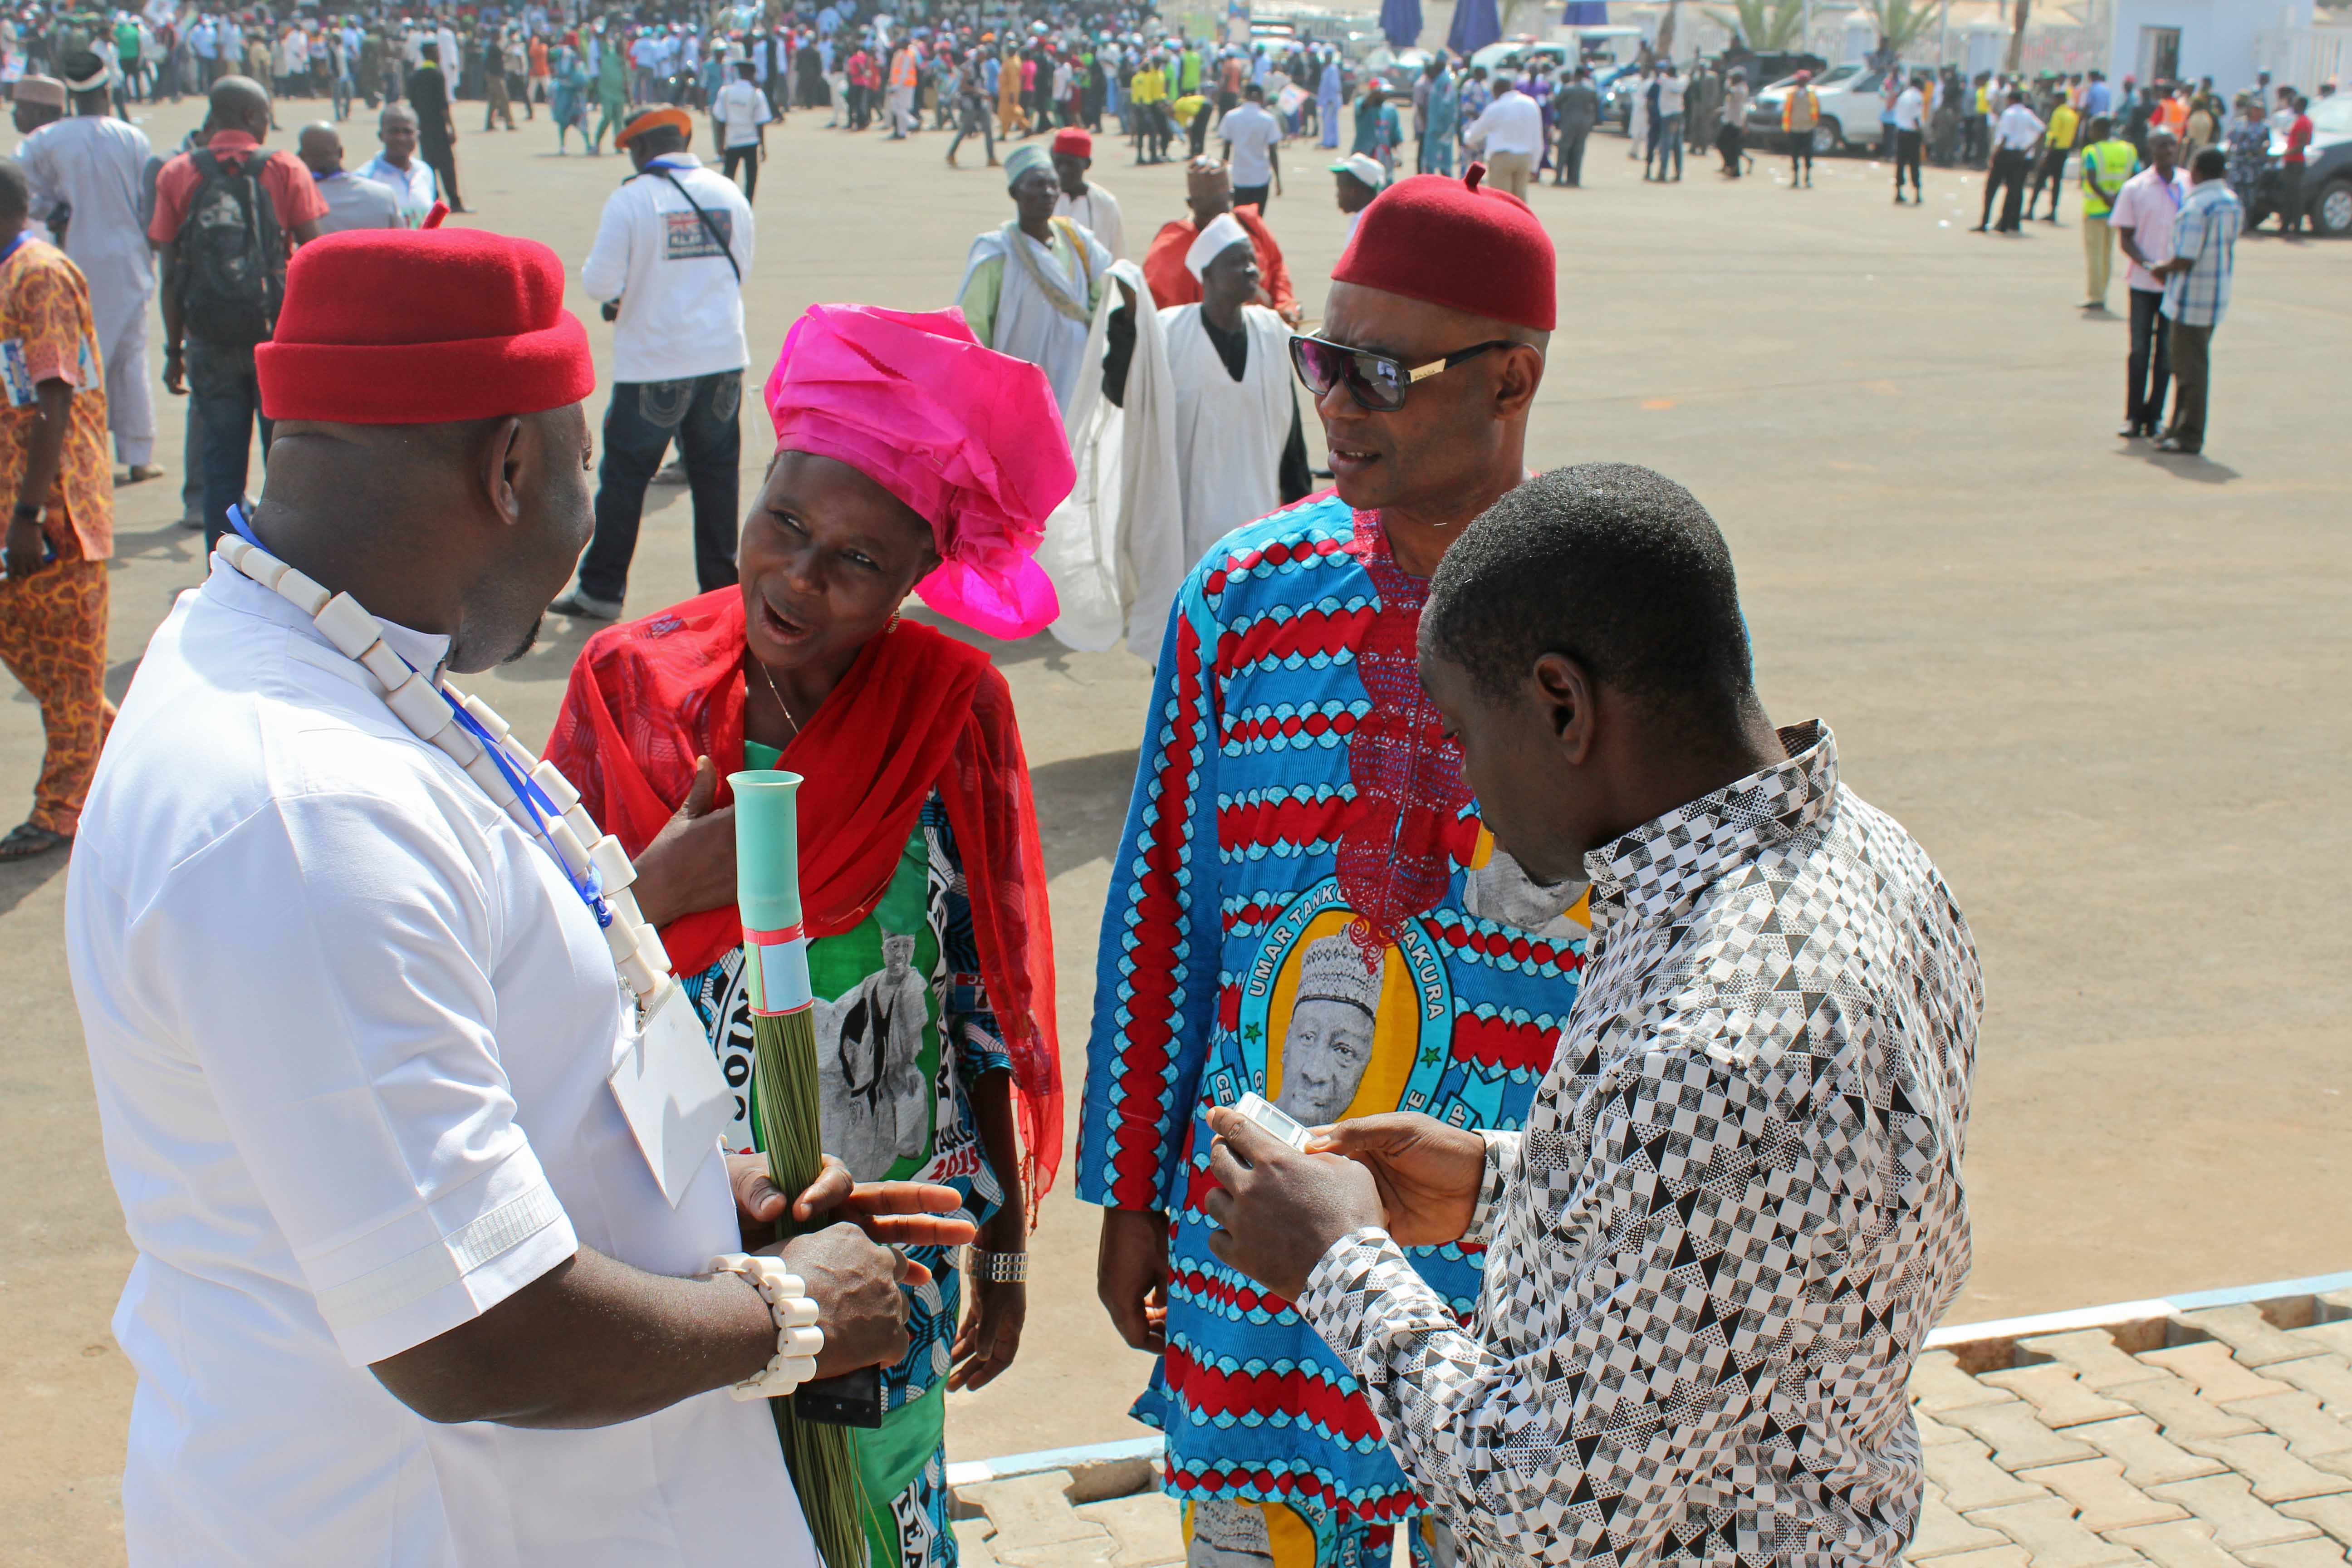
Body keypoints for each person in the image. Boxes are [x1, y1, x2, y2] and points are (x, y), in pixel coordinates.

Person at [69, 216, 961, 1565]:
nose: (584, 516)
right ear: (509, 465)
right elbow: (471, 1333)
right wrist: (795, 1312)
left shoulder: (364, 681)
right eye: (587, 466)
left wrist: (710, 1200)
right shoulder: (305, 811)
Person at [1197, 461, 1981, 1568]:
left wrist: (1341, 1262)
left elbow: (1550, 1504)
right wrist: (1501, 1182)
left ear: (1562, 705)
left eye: (1465, 734)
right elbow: (1750, 1235)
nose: (1467, 787)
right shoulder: (1873, 860)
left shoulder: (1721, 1040)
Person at [1083, 167, 1573, 1568]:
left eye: (1378, 370)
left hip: (1519, 1275)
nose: (1335, 403)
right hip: (1266, 1252)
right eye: (1322, 359)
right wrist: (1132, 1199)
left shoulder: (1606, 614)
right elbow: (1164, 911)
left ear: (1512, 378)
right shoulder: (1241, 600)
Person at [546, 301, 1070, 1568]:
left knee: (873, 1517)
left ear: (917, 580)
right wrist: (662, 885)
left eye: (860, 562)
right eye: (785, 524)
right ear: (758, 483)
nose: (800, 577)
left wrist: (996, 1248)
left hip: (892, 1230)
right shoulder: (635, 685)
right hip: (680, 1238)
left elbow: (982, 998)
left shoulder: (951, 706)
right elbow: (537, 977)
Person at [550, 107, 752, 623]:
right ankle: (722, 594)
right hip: (723, 359)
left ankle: (601, 590)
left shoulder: (633, 199)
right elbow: (741, 269)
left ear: (640, 151)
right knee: (716, 480)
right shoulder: (729, 193)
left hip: (655, 365)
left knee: (624, 480)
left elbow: (599, 283)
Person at [151, 75, 328, 549]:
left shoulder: (177, 173)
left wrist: (174, 350)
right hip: (276, 341)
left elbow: (170, 276)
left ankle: (222, 573)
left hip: (209, 341)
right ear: (253, 117)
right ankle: (288, 570)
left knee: (221, 468)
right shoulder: (285, 168)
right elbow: (316, 257)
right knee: (286, 466)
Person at [0, 158, 113, 861]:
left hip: (54, 509)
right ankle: (126, 771)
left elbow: (53, 396)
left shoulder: (34, 275)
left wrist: (30, 512)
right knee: (53, 671)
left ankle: (62, 813)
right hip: (22, 504)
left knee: (69, 672)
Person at [20, 50, 158, 484]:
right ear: (107, 89)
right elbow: (145, 202)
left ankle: (82, 452)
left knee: (78, 363)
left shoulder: (45, 139)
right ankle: (138, 457)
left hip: (73, 261)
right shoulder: (131, 138)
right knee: (129, 360)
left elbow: (29, 198)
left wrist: (59, 209)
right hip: (129, 261)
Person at [1157, 213, 1307, 583]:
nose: (1250, 270)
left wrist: (1299, 510)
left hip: (1259, 519)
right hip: (1192, 523)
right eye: (1237, 262)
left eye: (1252, 260)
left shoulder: (1271, 332)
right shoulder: (1171, 334)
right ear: (1206, 275)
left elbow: (1292, 438)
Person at [955, 142, 1112, 418]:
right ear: (1015, 192)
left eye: (1053, 185)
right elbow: (973, 326)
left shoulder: (1078, 242)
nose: (1047, 193)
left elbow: (1101, 299)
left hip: (1075, 375)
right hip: (1016, 383)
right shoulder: (996, 252)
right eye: (1037, 185)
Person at [2148, 146, 2239, 456]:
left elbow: (2185, 256)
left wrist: (2162, 268)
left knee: (2189, 371)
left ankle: (2189, 435)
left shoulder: (2197, 206)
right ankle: (2177, 428)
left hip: (2190, 299)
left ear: (2197, 172)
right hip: (2215, 295)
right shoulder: (2230, 202)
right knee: (2192, 366)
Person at [1142, 157, 1298, 323]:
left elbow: (1277, 267)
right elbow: (1155, 310)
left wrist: (1285, 307)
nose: (1218, 225)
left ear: (1231, 197)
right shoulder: (1171, 246)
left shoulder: (1252, 225)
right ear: (1191, 205)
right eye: (1208, 215)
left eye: (1222, 213)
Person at [2110, 129, 2187, 440]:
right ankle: (2133, 416)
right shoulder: (2136, 188)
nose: (2167, 150)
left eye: (2171, 144)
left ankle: (2155, 416)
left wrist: (2174, 267)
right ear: (2151, 149)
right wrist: (2149, 266)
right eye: (2161, 145)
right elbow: (2125, 239)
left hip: (2175, 282)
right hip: (2144, 282)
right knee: (2140, 350)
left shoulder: (2188, 185)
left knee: (2166, 355)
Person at [296, 122, 401, 232]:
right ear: (341, 153)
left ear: (301, 157)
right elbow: (402, 240)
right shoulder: (384, 195)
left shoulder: (301, 204)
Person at [2077, 114, 2135, 309]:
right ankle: (2103, 292)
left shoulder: (2092, 152)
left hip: (2095, 210)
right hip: (2117, 211)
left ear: (2099, 130)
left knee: (2095, 254)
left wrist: (2106, 198)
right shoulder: (2128, 150)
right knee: (2107, 254)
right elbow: (2134, 177)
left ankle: (2096, 296)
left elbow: (2091, 180)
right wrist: (2117, 198)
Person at [403, 40, 464, 213]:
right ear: (433, 54)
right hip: (439, 127)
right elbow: (443, 105)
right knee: (447, 165)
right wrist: (451, 127)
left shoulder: (415, 76)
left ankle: (436, 202)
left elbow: (413, 104)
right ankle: (455, 201)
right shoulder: (437, 75)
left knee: (429, 166)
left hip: (423, 128)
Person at [355, 104, 441, 225]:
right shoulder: (364, 178)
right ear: (381, 136)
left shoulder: (425, 172)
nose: (401, 138)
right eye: (394, 132)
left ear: (417, 136)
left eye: (408, 132)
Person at [1051, 126, 1125, 260]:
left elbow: (1119, 256)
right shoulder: (1041, 200)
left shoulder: (1105, 203)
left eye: (1071, 164)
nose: (1063, 170)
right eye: (1059, 163)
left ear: (1087, 164)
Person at [1463, 74, 1541, 200]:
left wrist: (1467, 138)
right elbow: (1538, 137)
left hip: (1501, 158)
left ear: (1496, 91)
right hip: (1525, 158)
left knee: (1501, 201)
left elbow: (1477, 131)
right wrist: (1535, 165)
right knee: (1520, 203)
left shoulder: (1497, 107)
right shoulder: (1531, 104)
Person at [1977, 90, 2042, 233]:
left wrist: (1994, 154)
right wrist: (2028, 148)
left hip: (2005, 153)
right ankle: (2008, 223)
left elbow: (2005, 137)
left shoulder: (2009, 114)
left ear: (2011, 100)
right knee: (2014, 190)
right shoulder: (2028, 114)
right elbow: (2042, 130)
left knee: (1992, 188)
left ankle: (1984, 222)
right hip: (2020, 155)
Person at [712, 59, 775, 201]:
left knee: (728, 178)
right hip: (751, 142)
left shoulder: (725, 92)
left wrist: (720, 145)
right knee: (751, 179)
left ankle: (727, 202)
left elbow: (721, 121)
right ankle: (747, 205)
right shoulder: (756, 94)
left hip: (732, 141)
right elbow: (760, 123)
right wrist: (763, 147)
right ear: (753, 74)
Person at [1220, 82, 1282, 212]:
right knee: (1257, 220)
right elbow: (1273, 153)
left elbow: (1226, 150)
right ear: (1261, 97)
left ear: (1244, 96)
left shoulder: (1231, 117)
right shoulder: (1268, 119)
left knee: (1239, 219)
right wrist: (1278, 180)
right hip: (1260, 177)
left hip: (1240, 176)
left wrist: (1222, 177)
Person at [2024, 88, 2080, 220]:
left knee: (2040, 181)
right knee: (2057, 182)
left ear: (2060, 99)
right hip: (2064, 151)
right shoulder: (2072, 115)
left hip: (2053, 151)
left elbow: (2053, 136)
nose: (2053, 102)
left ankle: (2031, 210)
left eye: (2055, 99)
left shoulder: (2058, 114)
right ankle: (2053, 211)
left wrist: (2045, 154)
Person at [1553, 65, 1598, 186]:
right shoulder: (1590, 90)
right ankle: (1574, 179)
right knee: (1578, 150)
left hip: (1569, 122)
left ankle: (1558, 178)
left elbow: (1557, 103)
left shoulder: (1568, 88)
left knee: (1564, 150)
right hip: (1584, 123)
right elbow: (1596, 106)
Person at [2277, 93, 2313, 236]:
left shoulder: (2304, 121)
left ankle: (2295, 227)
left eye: (2297, 104)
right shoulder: (2299, 120)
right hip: (2292, 161)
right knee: (2288, 195)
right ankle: (2286, 225)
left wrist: (2284, 154)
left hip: (2295, 162)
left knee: (2294, 196)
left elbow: (2302, 144)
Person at [1329, 150, 1384, 244]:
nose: (1337, 196)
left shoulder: (1368, 227)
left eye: (1340, 189)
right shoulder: (1364, 219)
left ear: (1354, 191)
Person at [1647, 62, 1685, 182]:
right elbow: (1686, 78)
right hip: (1678, 115)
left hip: (1667, 116)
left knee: (1666, 144)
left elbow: (1659, 79)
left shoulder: (1664, 81)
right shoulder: (1681, 83)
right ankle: (1678, 172)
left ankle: (1663, 172)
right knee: (1677, 144)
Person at [1892, 71, 1925, 203]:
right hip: (1912, 133)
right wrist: (1921, 133)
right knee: (1914, 163)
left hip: (1901, 132)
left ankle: (1898, 192)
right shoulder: (1918, 97)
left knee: (1900, 163)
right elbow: (1916, 118)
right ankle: (1917, 193)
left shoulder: (1903, 96)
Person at [1783, 69, 1818, 186]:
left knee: (1808, 155)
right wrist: (1787, 127)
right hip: (1795, 128)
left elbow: (1816, 110)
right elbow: (1787, 111)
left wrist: (1814, 124)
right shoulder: (1792, 94)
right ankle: (1795, 179)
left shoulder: (1812, 94)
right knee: (1795, 155)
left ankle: (1807, 178)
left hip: (1808, 128)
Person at [1717, 69, 1750, 176]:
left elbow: (1730, 92)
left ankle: (1733, 167)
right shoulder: (1735, 88)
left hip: (1736, 122)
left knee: (1727, 144)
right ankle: (1730, 165)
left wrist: (1727, 82)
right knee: (1728, 145)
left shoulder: (1741, 89)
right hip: (1729, 119)